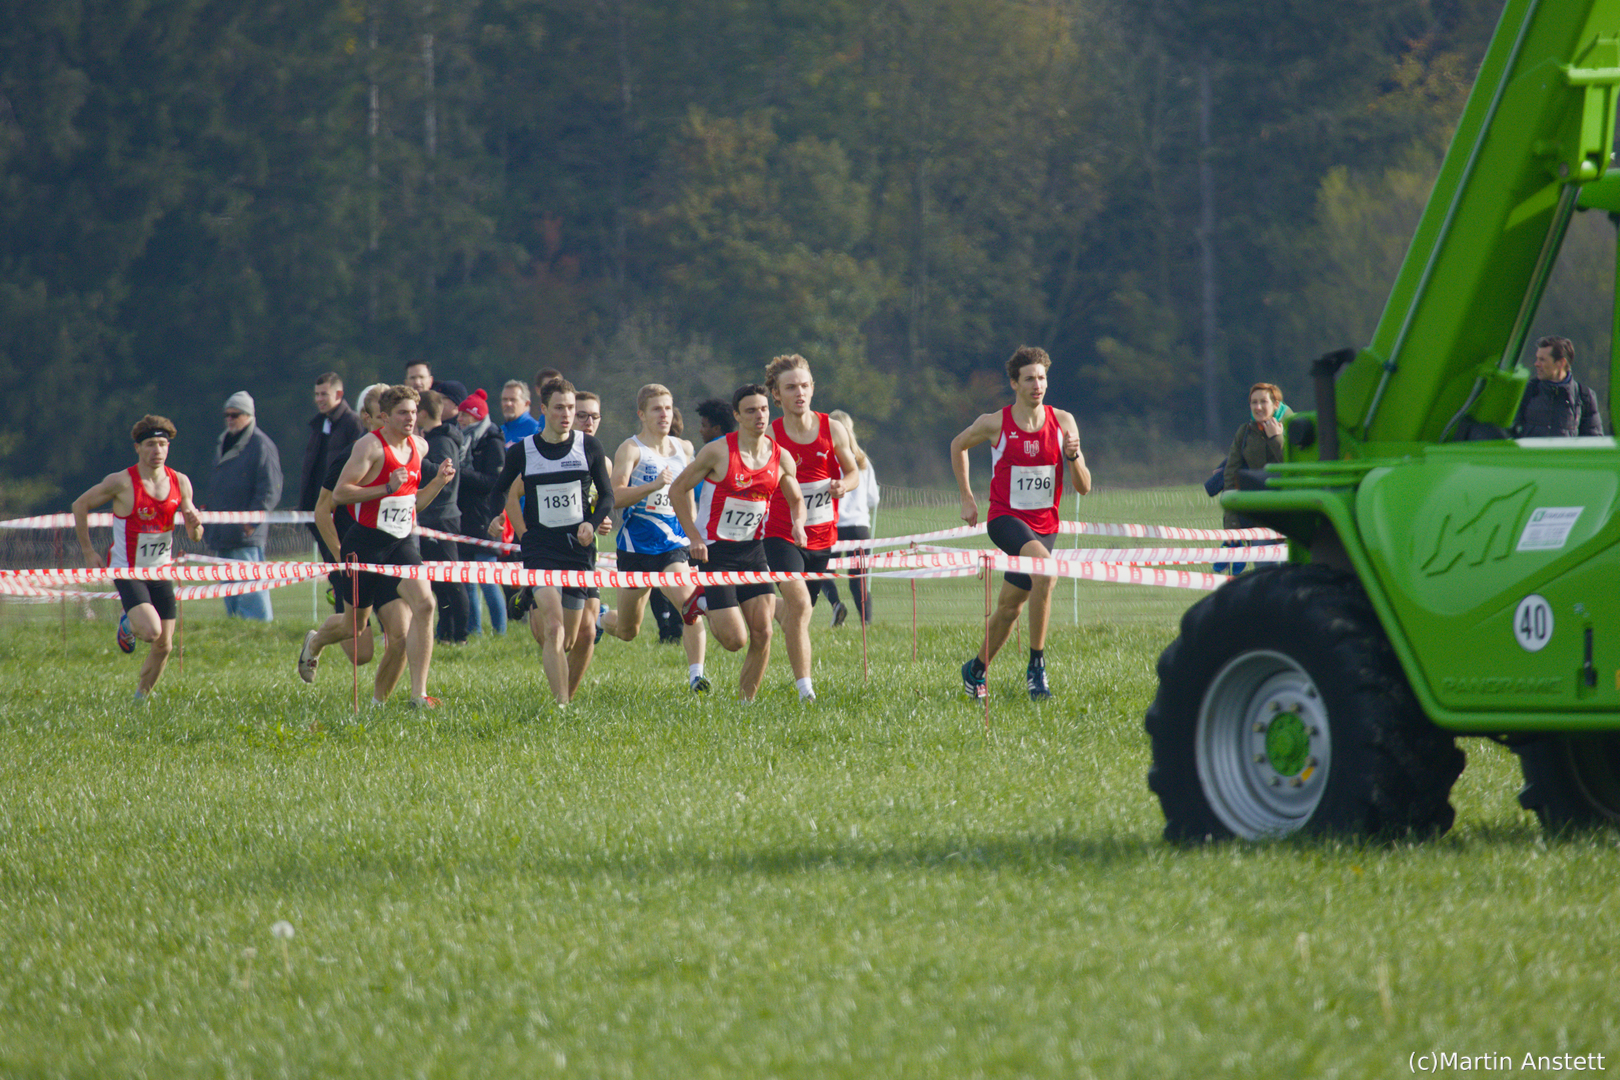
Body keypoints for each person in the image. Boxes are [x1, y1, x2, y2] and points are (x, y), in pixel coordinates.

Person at [951, 346, 1091, 702]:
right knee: (1046, 572)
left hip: (1046, 524)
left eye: (1042, 378)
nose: (1037, 385)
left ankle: (976, 669)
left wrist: (1073, 456)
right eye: (1029, 379)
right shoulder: (995, 422)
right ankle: (1036, 668)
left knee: (1011, 607)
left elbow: (1084, 487)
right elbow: (958, 445)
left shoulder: (1063, 422)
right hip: (1006, 519)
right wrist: (967, 497)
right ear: (1014, 384)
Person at [670, 383, 806, 704]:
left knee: (764, 632)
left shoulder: (780, 455)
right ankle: (697, 603)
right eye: (750, 411)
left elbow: (796, 498)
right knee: (735, 640)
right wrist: (694, 537)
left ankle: (745, 704)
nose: (759, 416)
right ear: (736, 415)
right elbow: (678, 489)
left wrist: (798, 524)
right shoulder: (718, 452)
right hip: (714, 553)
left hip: (753, 552)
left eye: (763, 409)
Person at [323, 385, 456, 707]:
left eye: (413, 412)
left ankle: (417, 695)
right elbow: (340, 495)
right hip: (364, 544)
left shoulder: (419, 447)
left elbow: (415, 506)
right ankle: (314, 644)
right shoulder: (369, 447)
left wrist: (438, 482)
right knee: (354, 627)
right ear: (385, 417)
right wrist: (385, 487)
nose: (410, 418)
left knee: (425, 604)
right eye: (402, 413)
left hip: (400, 543)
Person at [492, 377, 614, 706]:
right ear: (544, 409)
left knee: (571, 638)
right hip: (540, 549)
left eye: (571, 408)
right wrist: (498, 517)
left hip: (577, 552)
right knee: (554, 626)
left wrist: (590, 522)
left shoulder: (589, 447)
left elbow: (607, 495)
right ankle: (561, 706)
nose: (567, 414)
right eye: (559, 407)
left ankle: (524, 597)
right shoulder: (524, 451)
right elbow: (501, 489)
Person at [72, 416, 205, 703]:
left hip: (160, 570)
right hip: (127, 569)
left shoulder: (180, 481)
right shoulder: (121, 482)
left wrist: (195, 524)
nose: (157, 450)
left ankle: (139, 701)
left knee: (165, 645)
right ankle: (127, 623)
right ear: (138, 448)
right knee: (151, 631)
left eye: (162, 444)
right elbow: (79, 504)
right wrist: (87, 551)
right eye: (150, 445)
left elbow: (195, 535)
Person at [761, 354, 860, 702]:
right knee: (801, 606)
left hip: (821, 537)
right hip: (780, 533)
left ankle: (762, 605)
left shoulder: (833, 429)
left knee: (795, 615)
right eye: (790, 388)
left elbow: (854, 472)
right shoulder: (770, 435)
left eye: (804, 386)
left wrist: (843, 486)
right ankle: (806, 690)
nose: (799, 393)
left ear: (813, 388)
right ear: (776, 395)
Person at [599, 384, 710, 692]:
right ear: (642, 415)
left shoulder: (684, 449)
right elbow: (615, 496)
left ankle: (696, 677)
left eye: (668, 408)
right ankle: (601, 618)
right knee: (627, 631)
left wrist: (693, 536)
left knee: (690, 606)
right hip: (635, 548)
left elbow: (686, 496)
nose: (664, 414)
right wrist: (651, 487)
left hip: (672, 546)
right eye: (656, 409)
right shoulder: (631, 449)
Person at [297, 384, 389, 681]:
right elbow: (322, 510)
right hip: (352, 554)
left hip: (390, 554)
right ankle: (316, 641)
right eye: (382, 417)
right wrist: (338, 558)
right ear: (367, 418)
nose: (391, 425)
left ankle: (411, 696)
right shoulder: (351, 456)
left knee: (407, 620)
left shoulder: (405, 451)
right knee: (361, 653)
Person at [205, 391, 283, 622]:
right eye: (227, 415)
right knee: (229, 588)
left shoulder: (261, 445)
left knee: (251, 589)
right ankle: (237, 627)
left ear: (248, 416)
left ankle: (259, 628)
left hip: (245, 534)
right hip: (222, 532)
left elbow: (270, 489)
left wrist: (251, 522)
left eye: (235, 414)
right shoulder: (224, 442)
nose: (229, 419)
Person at [563, 389, 612, 694]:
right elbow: (516, 493)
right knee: (557, 635)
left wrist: (599, 520)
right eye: (582, 415)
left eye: (594, 416)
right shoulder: (548, 451)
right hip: (547, 551)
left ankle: (563, 697)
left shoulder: (602, 461)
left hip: (584, 553)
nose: (588, 421)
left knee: (587, 632)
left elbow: (602, 503)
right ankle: (527, 598)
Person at [417, 391, 469, 644]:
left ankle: (460, 635)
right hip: (432, 518)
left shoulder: (441, 442)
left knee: (452, 582)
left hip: (443, 517)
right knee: (438, 583)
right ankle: (444, 633)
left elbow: (445, 481)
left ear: (423, 413)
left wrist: (414, 461)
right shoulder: (434, 440)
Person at [455, 389, 508, 636]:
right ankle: (473, 630)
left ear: (476, 416)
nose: (460, 419)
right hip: (466, 518)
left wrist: (461, 473)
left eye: (465, 415)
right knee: (467, 580)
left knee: (488, 580)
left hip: (486, 518)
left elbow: (493, 481)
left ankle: (500, 632)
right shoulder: (462, 440)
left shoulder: (492, 441)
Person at [297, 373, 366, 556]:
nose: (319, 399)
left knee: (344, 562)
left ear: (339, 394)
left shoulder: (353, 423)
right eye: (317, 394)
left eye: (324, 394)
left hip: (340, 510)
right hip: (319, 508)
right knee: (332, 564)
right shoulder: (318, 425)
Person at [829, 409, 879, 624]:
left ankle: (835, 604)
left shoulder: (828, 459)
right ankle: (866, 624)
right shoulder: (863, 461)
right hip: (859, 527)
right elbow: (873, 499)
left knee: (821, 571)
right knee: (858, 579)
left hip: (833, 526)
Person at [1513, 335, 1603, 437]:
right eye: (1537, 358)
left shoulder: (1585, 396)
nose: (1536, 364)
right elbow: (1508, 432)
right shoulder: (1525, 392)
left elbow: (1594, 441)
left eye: (1542, 360)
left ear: (1561, 363)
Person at [500, 380, 540, 446]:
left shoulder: (535, 430)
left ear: (526, 403)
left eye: (513, 400)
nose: (508, 404)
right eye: (505, 399)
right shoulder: (500, 432)